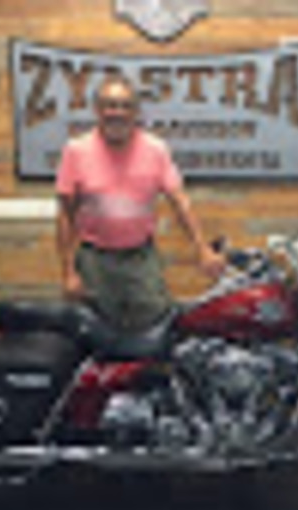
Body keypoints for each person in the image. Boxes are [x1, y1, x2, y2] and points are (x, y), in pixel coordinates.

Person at [55, 73, 224, 331]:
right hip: (94, 260)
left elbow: (180, 202)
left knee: (157, 326)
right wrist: (68, 272)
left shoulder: (156, 150)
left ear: (136, 112)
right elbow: (65, 215)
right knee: (97, 332)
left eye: (125, 106)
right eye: (110, 105)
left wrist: (202, 249)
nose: (117, 112)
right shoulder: (76, 151)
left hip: (141, 259)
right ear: (97, 110)